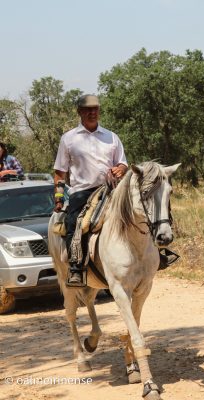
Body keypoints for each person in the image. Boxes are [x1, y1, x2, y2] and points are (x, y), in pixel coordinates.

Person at [53, 94, 128, 286]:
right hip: (82, 192)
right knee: (74, 222)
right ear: (79, 112)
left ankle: (156, 252)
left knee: (139, 210)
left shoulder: (112, 137)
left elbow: (122, 163)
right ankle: (76, 268)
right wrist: (59, 198)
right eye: (87, 110)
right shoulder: (68, 139)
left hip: (111, 189)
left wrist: (120, 169)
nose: (92, 112)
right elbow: (60, 172)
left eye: (95, 109)